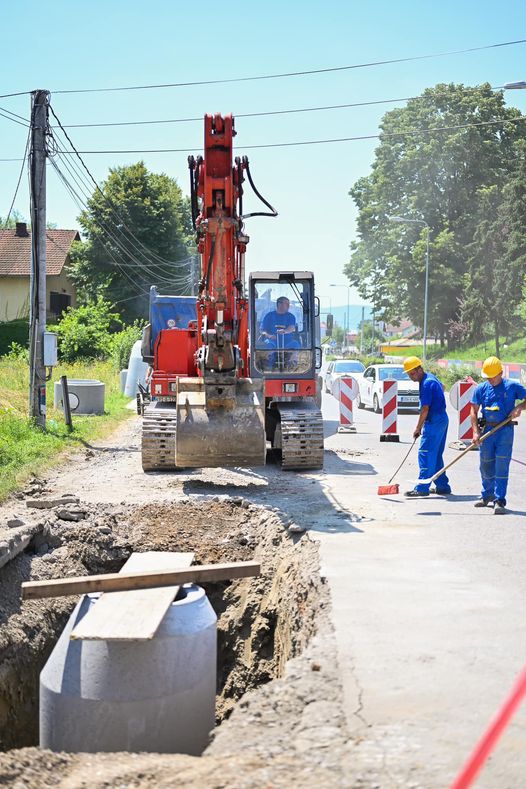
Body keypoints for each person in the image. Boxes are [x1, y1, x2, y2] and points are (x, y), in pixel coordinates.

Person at [470, 356, 526, 514]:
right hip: (487, 431)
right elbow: (473, 410)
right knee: (485, 464)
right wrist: (475, 431)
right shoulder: (481, 388)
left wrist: (520, 407)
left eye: (493, 377)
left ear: (501, 373)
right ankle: (486, 495)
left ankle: (499, 500)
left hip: (505, 431)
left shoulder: (513, 387)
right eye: (487, 377)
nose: (490, 380)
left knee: (501, 466)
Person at [403, 356, 451, 498]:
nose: (411, 377)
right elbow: (443, 387)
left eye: (412, 373)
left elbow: (425, 408)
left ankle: (422, 488)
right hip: (442, 418)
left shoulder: (426, 384)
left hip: (435, 420)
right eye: (409, 374)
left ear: (419, 369)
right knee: (435, 455)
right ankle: (442, 486)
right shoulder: (430, 378)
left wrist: (418, 428)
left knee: (425, 453)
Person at [260, 296, 300, 368]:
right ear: (279, 304)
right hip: (272, 341)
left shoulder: (291, 316)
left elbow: (292, 327)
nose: (288, 306)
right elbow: (263, 330)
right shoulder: (269, 316)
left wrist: (285, 331)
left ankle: (292, 364)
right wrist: (269, 336)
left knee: (295, 344)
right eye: (286, 304)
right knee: (268, 345)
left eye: (288, 304)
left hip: (287, 342)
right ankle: (269, 365)